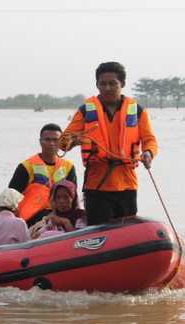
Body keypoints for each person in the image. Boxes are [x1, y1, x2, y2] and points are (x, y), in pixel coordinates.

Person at [59, 61, 158, 225]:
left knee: (126, 235)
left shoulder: (137, 110)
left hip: (127, 184)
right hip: (96, 184)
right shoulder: (86, 110)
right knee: (98, 235)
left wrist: (148, 153)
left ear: (122, 84)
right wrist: (74, 141)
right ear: (97, 85)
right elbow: (63, 143)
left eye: (113, 83)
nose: (107, 88)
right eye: (102, 84)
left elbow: (150, 140)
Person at [8, 123, 76, 227]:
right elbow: (10, 198)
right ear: (40, 142)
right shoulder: (26, 166)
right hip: (32, 219)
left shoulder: (69, 167)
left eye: (55, 140)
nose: (52, 143)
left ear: (61, 141)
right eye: (47, 140)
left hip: (63, 215)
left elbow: (73, 197)